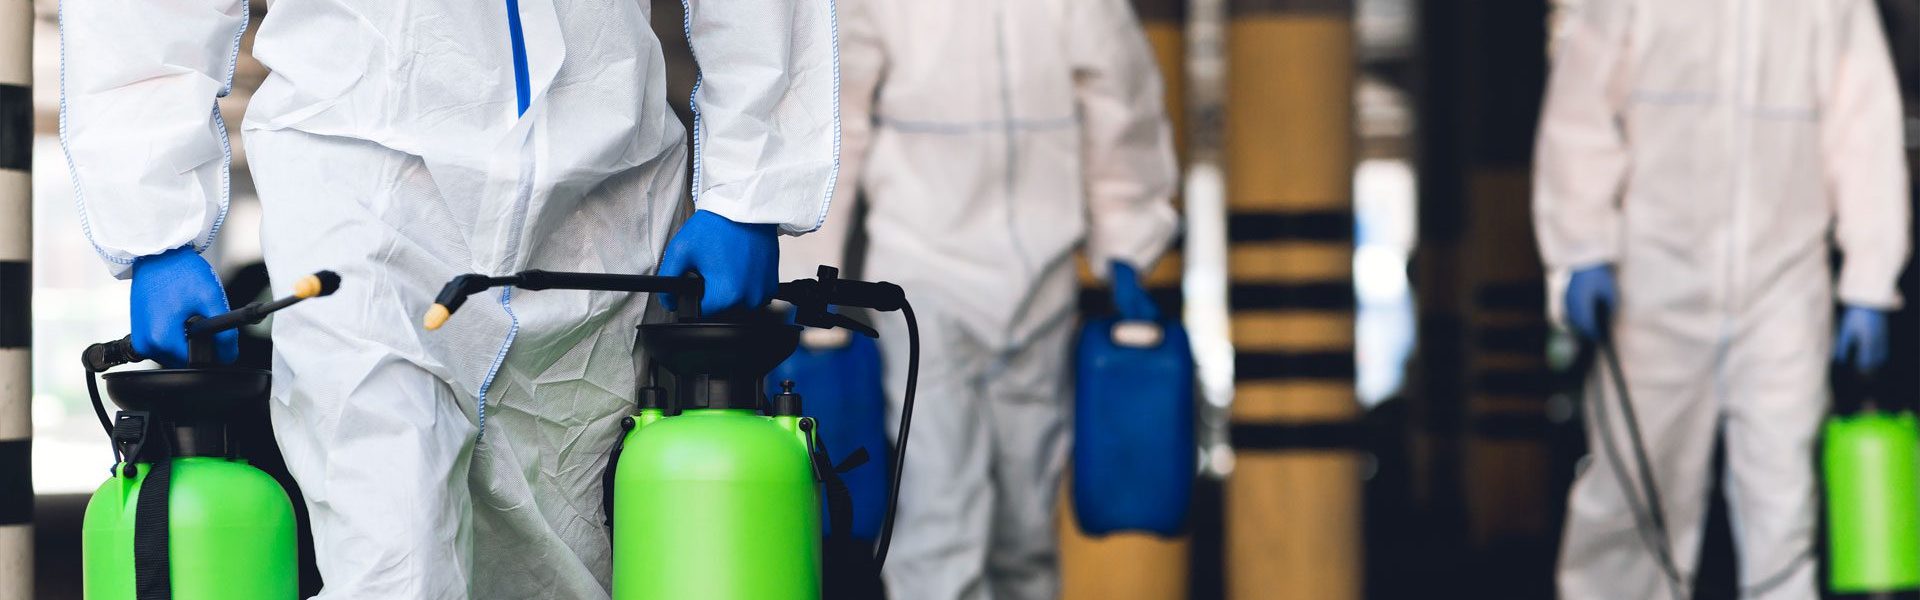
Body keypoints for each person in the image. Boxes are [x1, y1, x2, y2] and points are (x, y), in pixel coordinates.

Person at [60, 1, 836, 597]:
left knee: (567, 567)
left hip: (604, 189)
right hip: (363, 183)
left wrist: (750, 184)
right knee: (391, 559)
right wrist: (157, 223)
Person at [780, 0, 1179, 597]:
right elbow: (838, 108)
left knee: (1025, 531)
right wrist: (813, 270)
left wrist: (1126, 236)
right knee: (940, 524)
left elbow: (1118, 89)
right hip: (922, 278)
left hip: (1041, 280)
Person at [1535, 0, 1911, 598]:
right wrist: (1581, 246)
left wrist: (1869, 275)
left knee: (1784, 503)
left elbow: (1863, 122)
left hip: (1784, 284)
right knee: (1636, 489)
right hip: (1654, 280)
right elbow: (1580, 106)